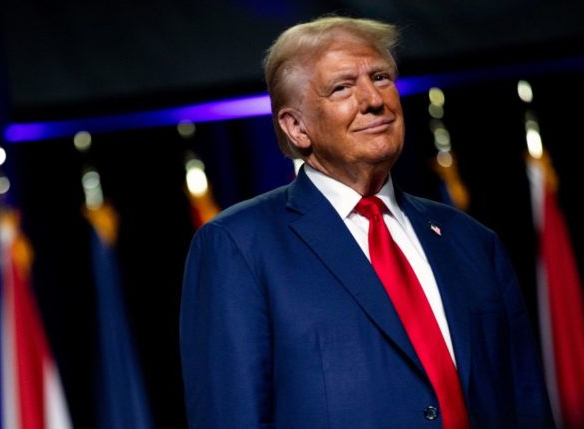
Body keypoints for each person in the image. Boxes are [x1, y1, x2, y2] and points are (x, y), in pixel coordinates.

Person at [180, 15, 553, 429]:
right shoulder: (239, 246)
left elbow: (526, 403)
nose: (374, 99)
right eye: (342, 87)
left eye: (380, 78)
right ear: (296, 126)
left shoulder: (471, 240)